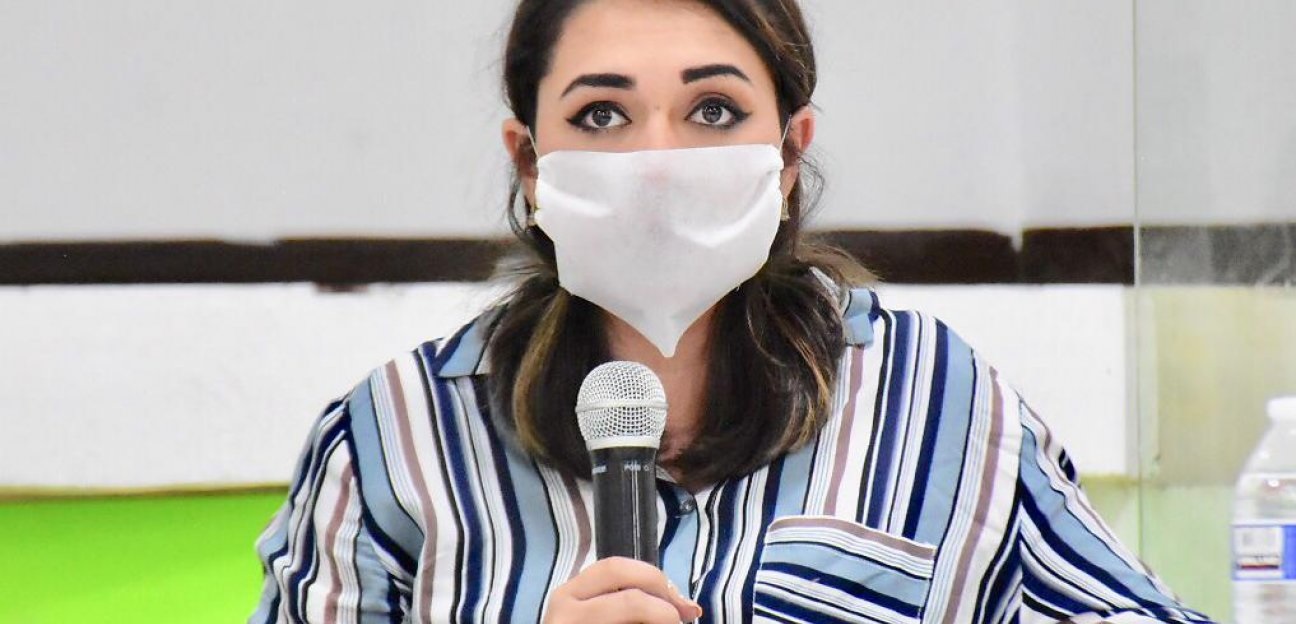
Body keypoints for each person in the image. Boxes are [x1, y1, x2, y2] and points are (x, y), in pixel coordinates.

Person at [251, 1, 1215, 622]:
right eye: (600, 115)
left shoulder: (932, 400)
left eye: (712, 110)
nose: (657, 160)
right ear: (530, 162)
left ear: (790, 152)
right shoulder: (395, 438)